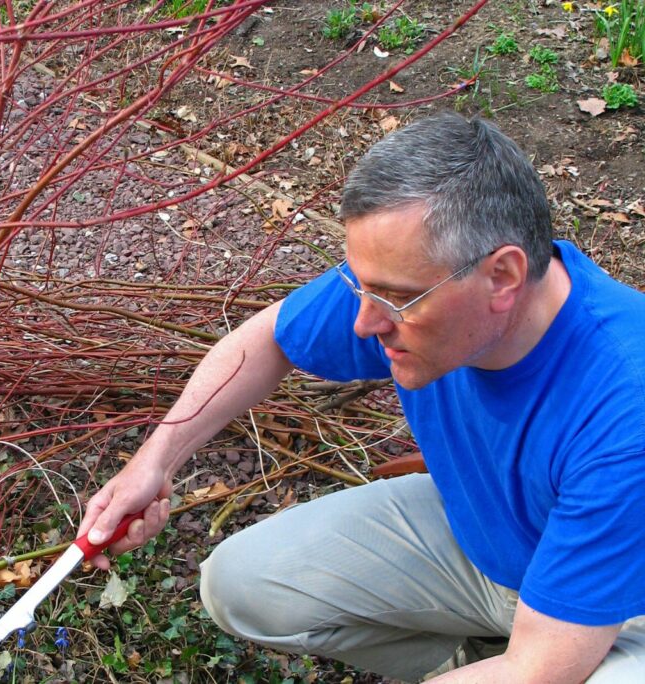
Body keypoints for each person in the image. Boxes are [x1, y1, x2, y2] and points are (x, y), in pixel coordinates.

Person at [75, 111, 645, 682]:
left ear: (502, 276)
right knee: (244, 584)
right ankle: (465, 661)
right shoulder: (427, 286)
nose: (365, 323)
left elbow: (540, 667)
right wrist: (153, 462)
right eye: (359, 286)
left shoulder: (624, 405)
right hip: (491, 539)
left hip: (620, 612)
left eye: (394, 298)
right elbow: (264, 340)